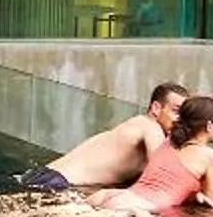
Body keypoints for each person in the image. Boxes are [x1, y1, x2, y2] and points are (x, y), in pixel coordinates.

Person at [18, 83, 188, 193]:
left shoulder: (136, 126)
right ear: (156, 108)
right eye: (176, 111)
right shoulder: (150, 127)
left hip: (43, 176)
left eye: (185, 114)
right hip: (59, 184)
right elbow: (162, 173)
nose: (181, 119)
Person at [94, 94, 213, 216]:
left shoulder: (168, 142)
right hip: (140, 208)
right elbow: (211, 207)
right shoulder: (212, 157)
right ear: (209, 126)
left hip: (108, 196)